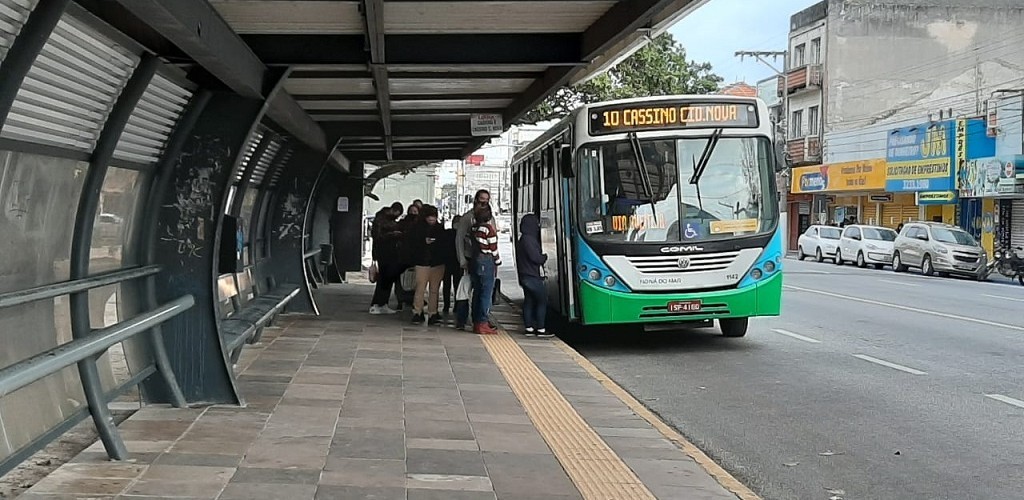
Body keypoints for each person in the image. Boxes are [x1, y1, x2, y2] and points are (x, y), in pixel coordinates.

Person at [455, 190, 491, 329]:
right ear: (476, 200)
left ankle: (480, 319)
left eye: (486, 200)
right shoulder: (467, 218)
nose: (484, 203)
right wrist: (462, 259)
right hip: (469, 259)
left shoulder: (490, 217)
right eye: (481, 200)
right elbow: (459, 239)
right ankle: (462, 320)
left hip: (483, 260)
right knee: (464, 291)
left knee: (481, 292)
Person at [407, 205, 447, 325]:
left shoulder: (440, 228)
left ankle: (432, 313)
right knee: (420, 288)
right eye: (429, 216)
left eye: (434, 216)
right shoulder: (416, 228)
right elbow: (411, 245)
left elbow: (444, 243)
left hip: (437, 263)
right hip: (422, 262)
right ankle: (417, 312)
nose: (432, 219)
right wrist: (423, 242)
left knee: (434, 289)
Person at [516, 214, 552, 338]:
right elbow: (535, 258)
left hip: (524, 276)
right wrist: (544, 257)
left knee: (529, 301)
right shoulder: (529, 240)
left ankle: (529, 328)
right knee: (542, 301)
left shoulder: (522, 239)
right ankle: (541, 329)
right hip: (532, 276)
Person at [470, 205, 501, 335]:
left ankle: (477, 321)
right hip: (486, 261)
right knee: (486, 293)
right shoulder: (488, 229)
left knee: (477, 292)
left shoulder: (474, 228)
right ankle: (483, 321)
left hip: (476, 260)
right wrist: (498, 261)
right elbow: (493, 248)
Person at [369, 207, 402, 315]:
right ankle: (378, 304)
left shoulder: (380, 219)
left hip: (384, 253)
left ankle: (382, 304)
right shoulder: (385, 221)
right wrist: (393, 235)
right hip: (385, 254)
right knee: (384, 279)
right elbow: (378, 237)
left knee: (385, 280)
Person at [442, 214, 463, 317]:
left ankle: (446, 305)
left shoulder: (446, 233)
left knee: (447, 285)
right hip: (457, 262)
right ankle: (456, 305)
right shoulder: (461, 234)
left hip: (446, 262)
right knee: (457, 285)